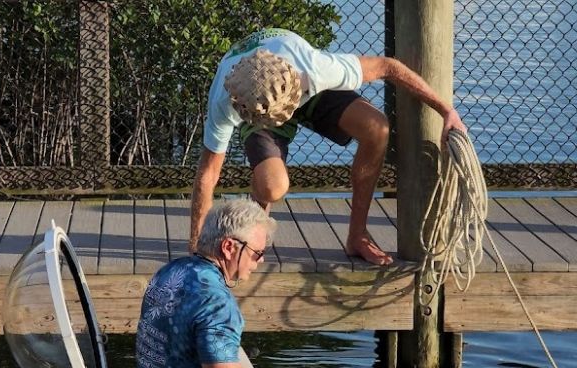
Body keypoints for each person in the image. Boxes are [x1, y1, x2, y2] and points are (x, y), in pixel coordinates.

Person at [189, 28, 468, 266]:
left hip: (298, 84)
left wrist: (447, 111)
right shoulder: (227, 97)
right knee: (273, 186)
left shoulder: (317, 67)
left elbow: (389, 67)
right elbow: (207, 176)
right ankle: (255, 235)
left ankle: (357, 236)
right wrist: (198, 253)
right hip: (259, 96)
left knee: (377, 128)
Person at [136, 198, 274, 368]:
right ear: (228, 247)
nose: (261, 260)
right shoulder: (217, 302)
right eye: (257, 253)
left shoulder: (170, 271)